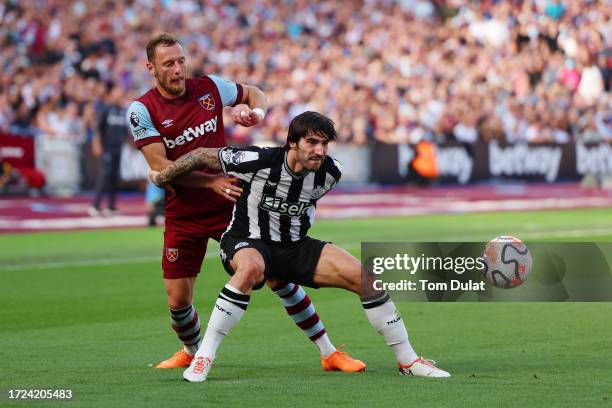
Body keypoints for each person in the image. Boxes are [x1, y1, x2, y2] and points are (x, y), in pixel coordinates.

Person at [150, 111, 451, 382]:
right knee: (252, 268)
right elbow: (203, 154)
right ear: (292, 142)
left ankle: (408, 361)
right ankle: (204, 356)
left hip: (295, 246)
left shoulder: (330, 173)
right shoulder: (259, 160)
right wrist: (163, 177)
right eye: (312, 142)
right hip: (248, 241)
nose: (319, 151)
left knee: (366, 277)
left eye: (324, 144)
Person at [128, 33, 363, 372]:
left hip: (234, 205)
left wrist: (255, 112)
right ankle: (192, 349)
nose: (178, 69)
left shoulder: (209, 88)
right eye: (169, 64)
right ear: (151, 68)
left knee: (277, 277)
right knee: (178, 302)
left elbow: (255, 92)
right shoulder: (142, 110)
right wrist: (210, 182)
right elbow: (160, 168)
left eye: (181, 61)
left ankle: (329, 351)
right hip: (183, 212)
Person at [89, 84, 129, 216]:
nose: (120, 95)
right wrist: (97, 144)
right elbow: (98, 128)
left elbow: (125, 131)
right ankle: (95, 205)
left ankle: (111, 206)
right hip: (106, 147)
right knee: (104, 175)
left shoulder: (123, 110)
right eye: (118, 92)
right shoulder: (105, 109)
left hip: (118, 148)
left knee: (114, 176)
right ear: (111, 94)